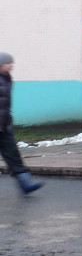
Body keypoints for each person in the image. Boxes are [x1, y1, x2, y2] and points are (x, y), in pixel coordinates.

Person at [0, 54, 42, 196]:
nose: (11, 65)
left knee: (13, 154)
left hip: (5, 124)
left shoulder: (7, 78)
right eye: (8, 63)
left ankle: (25, 183)